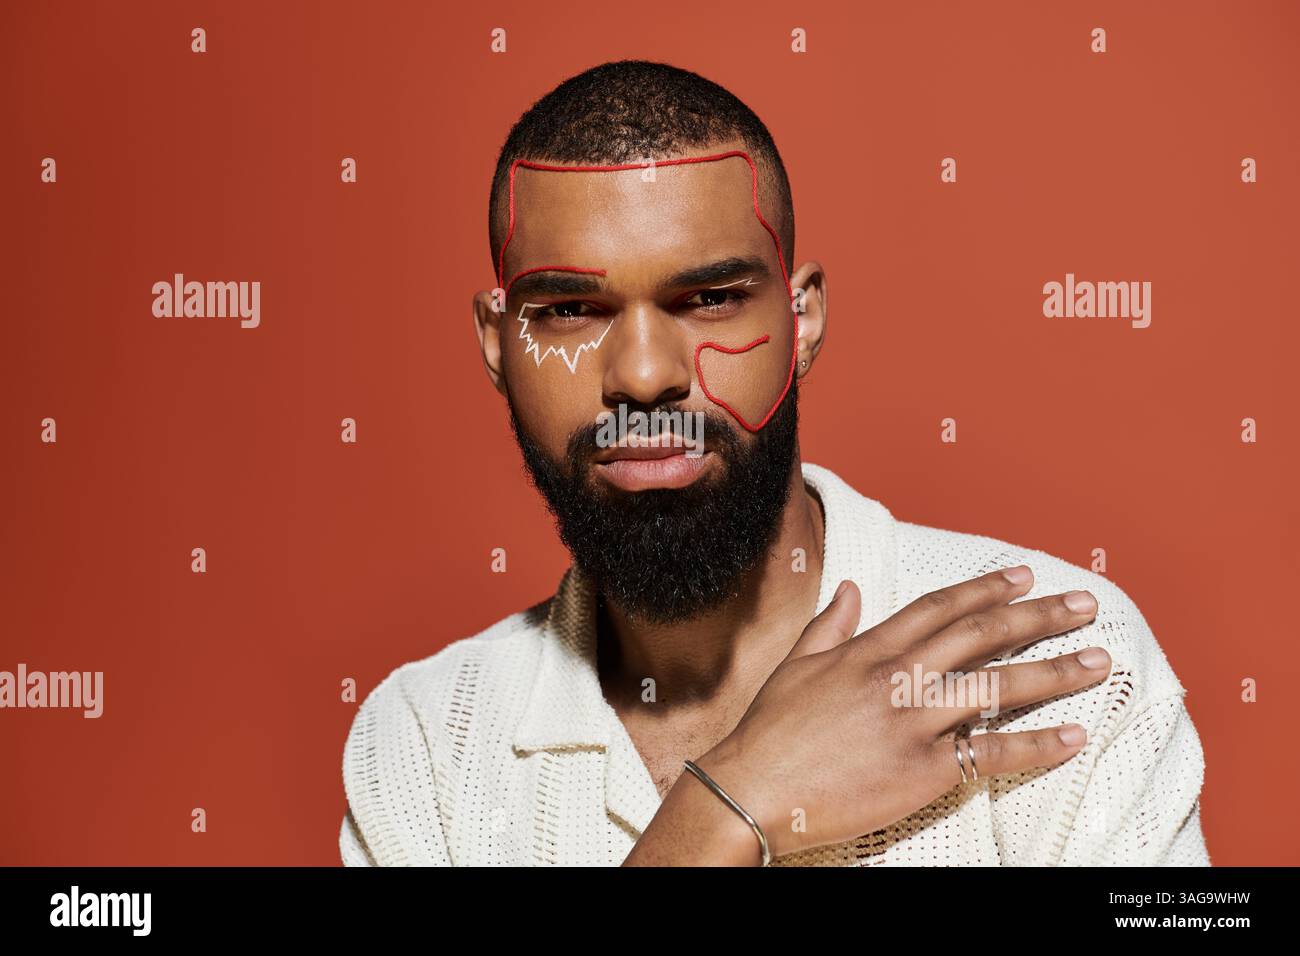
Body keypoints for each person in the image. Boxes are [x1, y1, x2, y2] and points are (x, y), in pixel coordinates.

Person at [339, 59, 1209, 866]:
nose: (645, 375)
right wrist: (729, 805)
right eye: (570, 308)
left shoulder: (1058, 663)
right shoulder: (421, 744)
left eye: (710, 298)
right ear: (498, 343)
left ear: (804, 319)